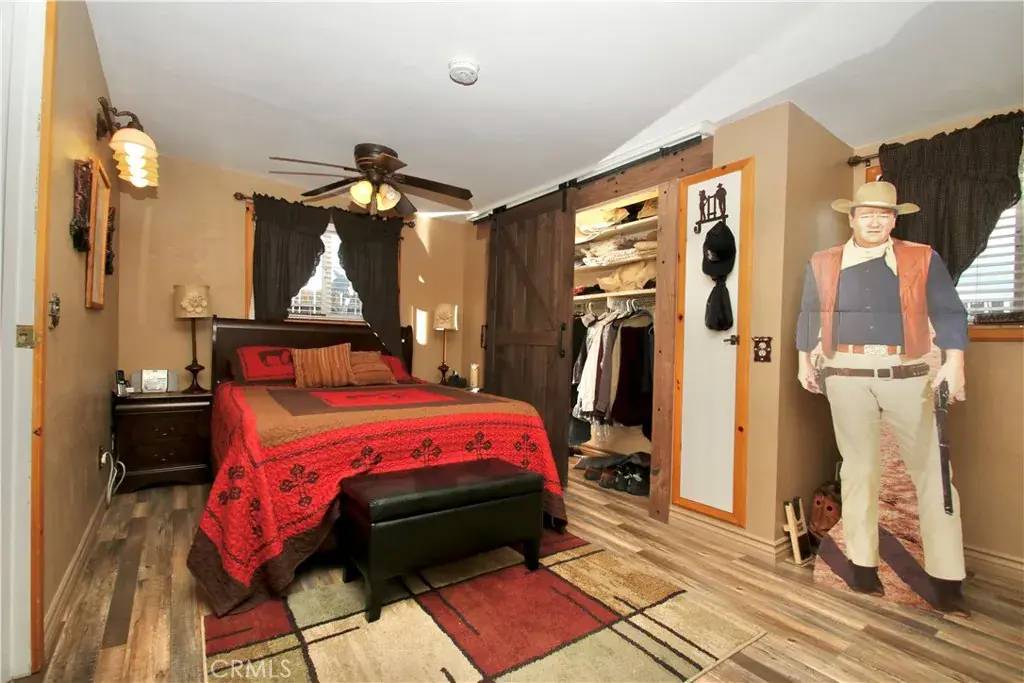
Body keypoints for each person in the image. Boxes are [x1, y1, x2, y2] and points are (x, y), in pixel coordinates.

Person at [796, 181, 969, 613]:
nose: (875, 221)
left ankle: (947, 580)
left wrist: (954, 363)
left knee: (933, 472)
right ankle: (862, 567)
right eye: (867, 214)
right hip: (845, 373)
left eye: (884, 215)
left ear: (894, 220)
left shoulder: (922, 257)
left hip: (905, 371)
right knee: (859, 470)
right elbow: (809, 314)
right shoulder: (823, 262)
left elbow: (949, 310)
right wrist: (803, 361)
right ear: (851, 218)